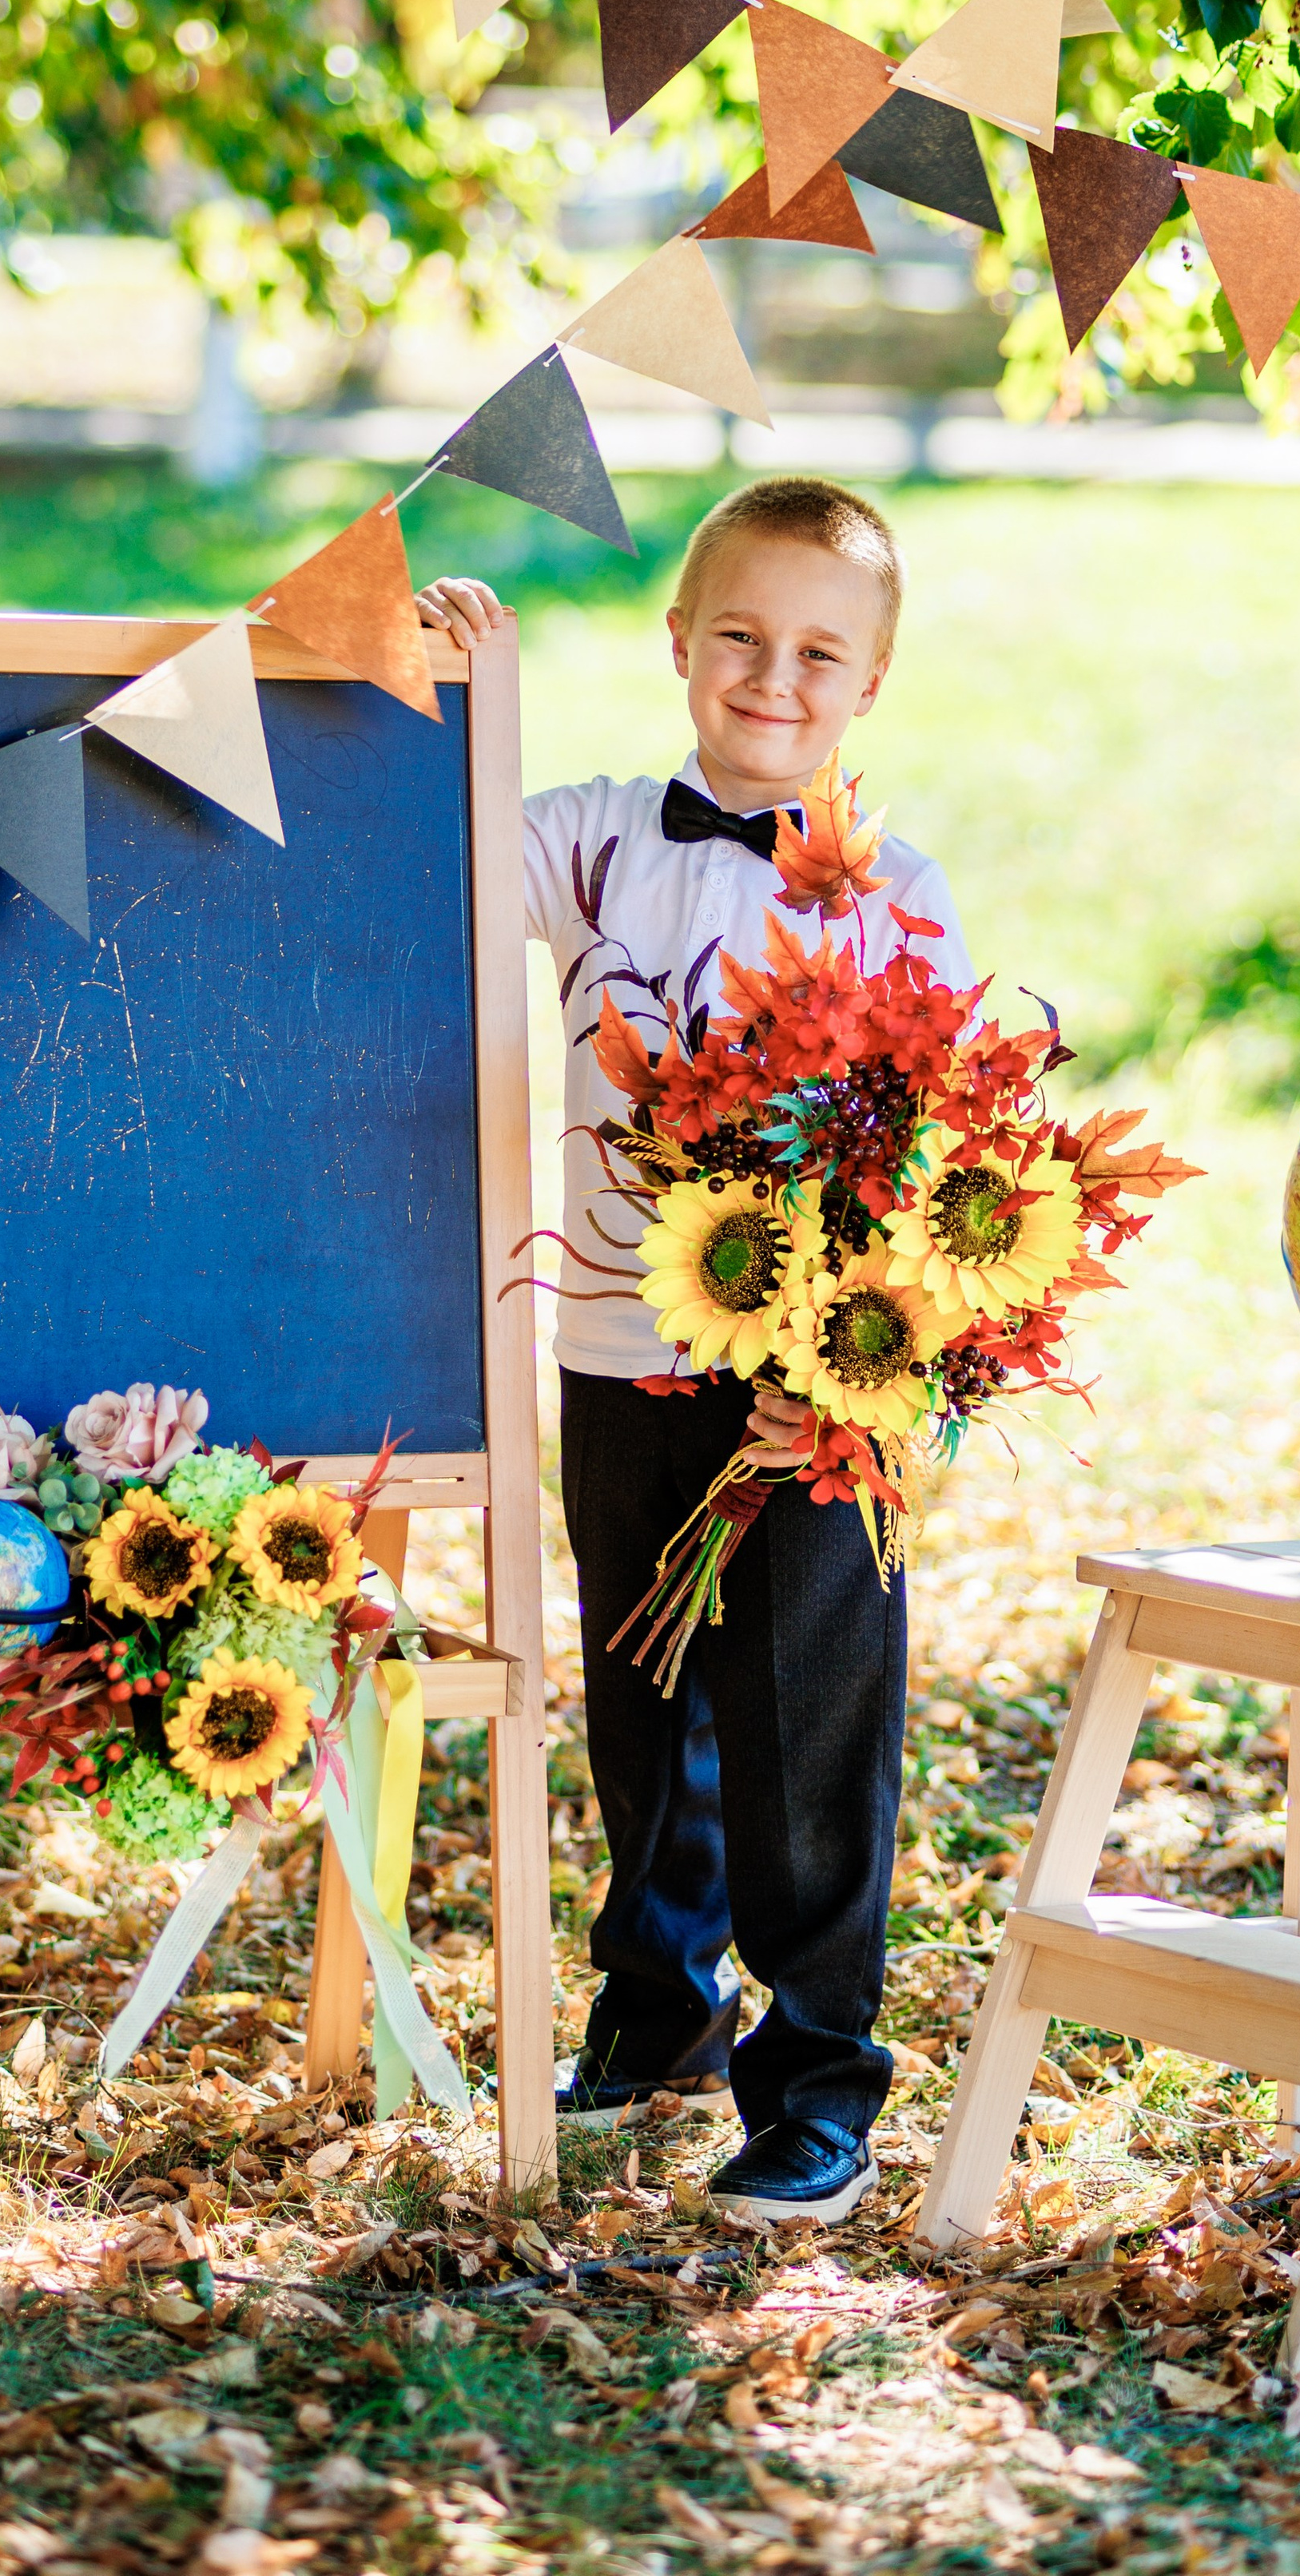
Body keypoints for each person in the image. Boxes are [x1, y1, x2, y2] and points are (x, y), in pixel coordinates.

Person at [416, 475, 970, 2225]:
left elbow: (954, 1134)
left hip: (814, 1381)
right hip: (610, 1340)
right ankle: (655, 2012)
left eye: (817, 651)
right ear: (677, 643)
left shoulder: (896, 896)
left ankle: (815, 2079)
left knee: (805, 1717)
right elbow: (422, 854)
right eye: (737, 635)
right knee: (643, 1706)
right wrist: (435, 691)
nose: (771, 676)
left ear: (870, 682)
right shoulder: (591, 837)